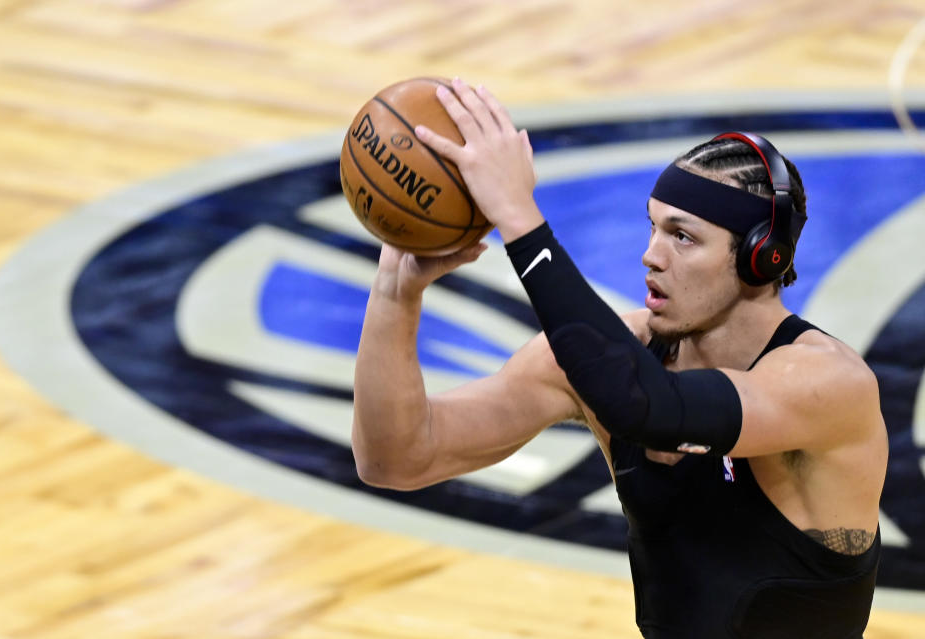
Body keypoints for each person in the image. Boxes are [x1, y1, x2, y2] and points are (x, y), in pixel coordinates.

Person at [351, 77, 888, 638]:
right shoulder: (613, 358)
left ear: (761, 257)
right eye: (653, 227)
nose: (650, 255)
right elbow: (396, 459)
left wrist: (518, 218)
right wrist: (396, 291)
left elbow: (650, 409)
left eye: (682, 237)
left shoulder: (828, 384)